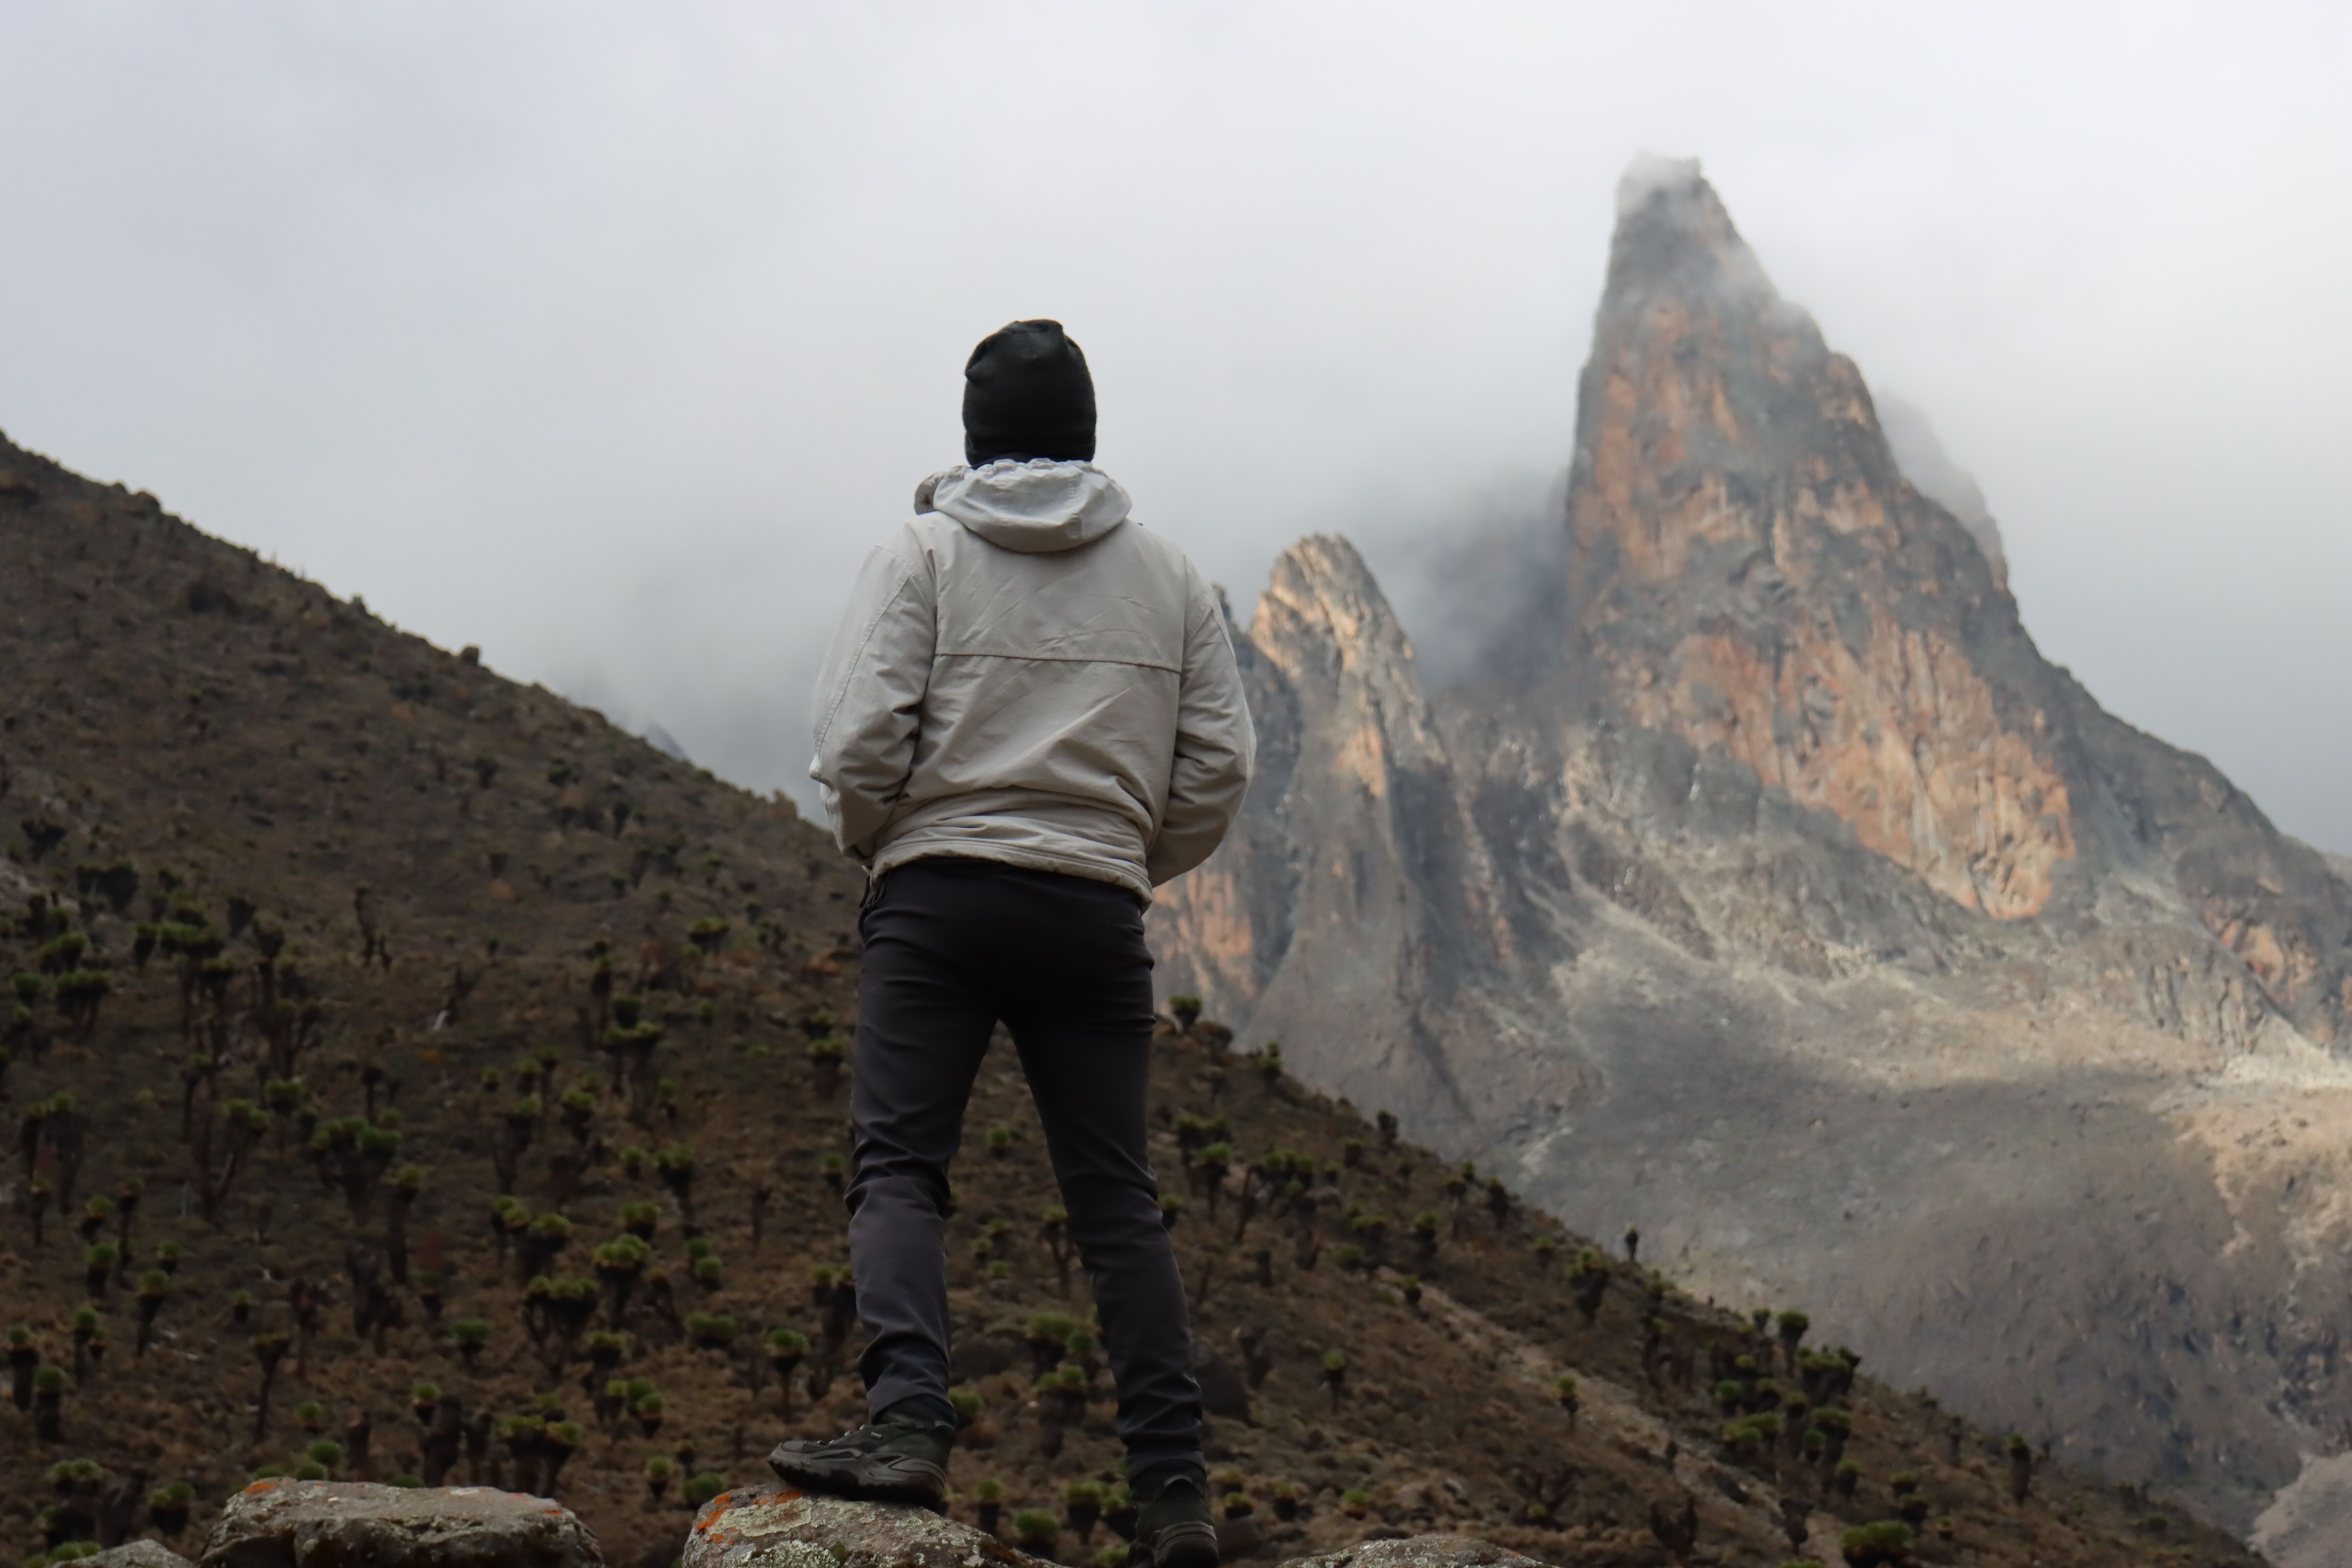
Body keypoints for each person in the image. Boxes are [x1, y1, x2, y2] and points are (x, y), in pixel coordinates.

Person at [776, 319, 1254, 1568]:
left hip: (940, 897)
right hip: (1092, 911)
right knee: (1117, 1206)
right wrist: (1120, 857)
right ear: (1089, 434)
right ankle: (1174, 1500)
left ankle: (908, 1428)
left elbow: (856, 747)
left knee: (899, 1171)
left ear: (975, 434)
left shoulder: (921, 554)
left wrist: (892, 843)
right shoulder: (1173, 577)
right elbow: (1220, 766)